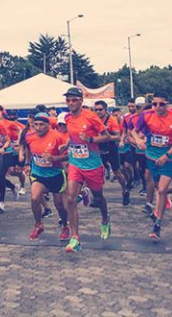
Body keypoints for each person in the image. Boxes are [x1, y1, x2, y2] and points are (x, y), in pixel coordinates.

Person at [62, 87, 111, 252]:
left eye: (74, 100)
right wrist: (66, 144)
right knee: (70, 199)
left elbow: (107, 136)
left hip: (92, 165)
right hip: (75, 163)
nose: (70, 103)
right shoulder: (68, 118)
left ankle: (105, 219)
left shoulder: (91, 116)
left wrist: (90, 138)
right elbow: (73, 137)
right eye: (68, 100)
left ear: (81, 101)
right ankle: (75, 238)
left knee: (98, 197)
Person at [134, 92, 172, 240]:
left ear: (167, 104)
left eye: (161, 104)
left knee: (161, 190)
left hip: (168, 160)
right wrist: (138, 140)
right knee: (159, 188)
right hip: (151, 158)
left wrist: (167, 155)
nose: (158, 107)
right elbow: (134, 131)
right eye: (155, 103)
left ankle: (157, 224)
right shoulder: (146, 115)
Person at [21, 112, 70, 240]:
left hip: (56, 175)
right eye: (36, 124)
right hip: (38, 174)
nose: (38, 127)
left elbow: (68, 155)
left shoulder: (57, 137)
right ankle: (38, 225)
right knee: (34, 198)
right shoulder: (30, 136)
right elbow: (27, 149)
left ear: (48, 125)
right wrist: (27, 163)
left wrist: (54, 158)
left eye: (41, 124)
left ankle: (65, 225)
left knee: (59, 205)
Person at [94, 100, 129, 205]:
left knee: (117, 172)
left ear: (106, 110)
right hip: (99, 149)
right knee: (96, 173)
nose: (98, 112)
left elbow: (118, 137)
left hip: (111, 149)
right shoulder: (94, 120)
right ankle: (97, 197)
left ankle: (125, 190)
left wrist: (107, 137)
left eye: (100, 109)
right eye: (96, 110)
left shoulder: (111, 120)